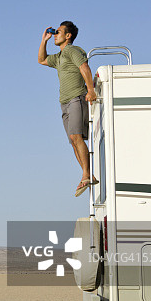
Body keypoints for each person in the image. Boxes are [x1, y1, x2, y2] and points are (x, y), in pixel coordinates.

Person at [38, 21, 98, 197]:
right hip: (64, 102)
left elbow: (84, 67)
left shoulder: (73, 50)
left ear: (68, 35)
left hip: (76, 98)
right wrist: (44, 40)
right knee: (73, 140)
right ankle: (88, 175)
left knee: (77, 137)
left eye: (58, 32)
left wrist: (91, 90)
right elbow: (41, 59)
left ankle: (86, 174)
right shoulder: (59, 57)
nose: (55, 34)